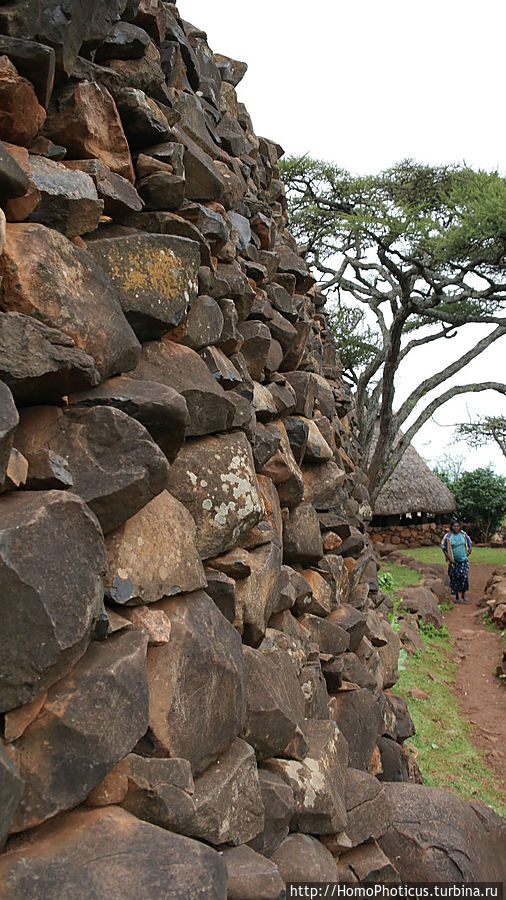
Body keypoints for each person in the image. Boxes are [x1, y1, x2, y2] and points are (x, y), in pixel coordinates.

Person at [440, 519, 472, 603]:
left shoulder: (463, 534)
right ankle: (457, 596)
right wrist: (449, 558)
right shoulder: (448, 536)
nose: (456, 528)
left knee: (464, 577)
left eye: (457, 526)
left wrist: (469, 550)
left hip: (464, 560)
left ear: (460, 527)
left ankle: (464, 595)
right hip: (453, 562)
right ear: (451, 527)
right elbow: (443, 548)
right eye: (454, 526)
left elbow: (469, 543)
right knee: (455, 578)